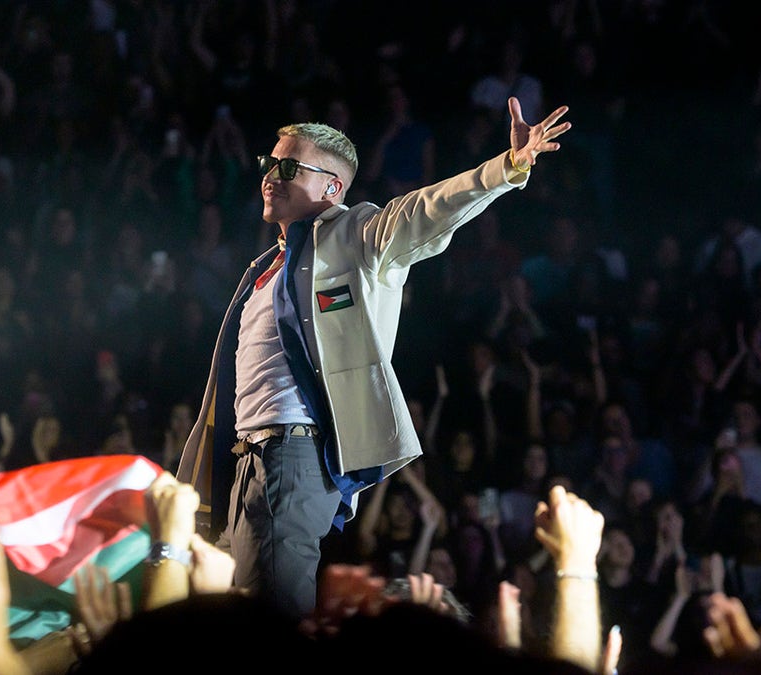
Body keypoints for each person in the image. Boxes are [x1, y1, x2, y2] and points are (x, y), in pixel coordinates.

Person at [177, 96, 571, 619]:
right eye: (269, 163)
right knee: (237, 610)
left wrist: (506, 167)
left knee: (269, 615)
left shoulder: (355, 233)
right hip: (246, 460)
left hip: (292, 453)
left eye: (288, 166)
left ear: (332, 188)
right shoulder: (262, 267)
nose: (271, 174)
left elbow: (426, 211)